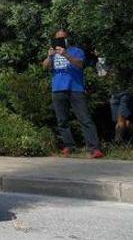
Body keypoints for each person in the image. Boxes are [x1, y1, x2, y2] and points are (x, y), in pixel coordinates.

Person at [42, 29, 103, 158]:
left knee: (85, 119)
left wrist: (65, 55)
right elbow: (44, 66)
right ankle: (69, 146)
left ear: (68, 39)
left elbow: (80, 64)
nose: (60, 40)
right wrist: (49, 56)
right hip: (58, 89)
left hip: (76, 89)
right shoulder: (53, 53)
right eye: (57, 38)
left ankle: (94, 148)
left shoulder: (77, 51)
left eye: (62, 38)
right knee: (62, 120)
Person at [96, 55, 133, 143]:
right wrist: (105, 72)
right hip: (113, 94)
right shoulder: (99, 63)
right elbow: (102, 79)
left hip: (126, 92)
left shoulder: (117, 57)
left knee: (121, 119)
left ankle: (118, 141)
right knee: (124, 122)